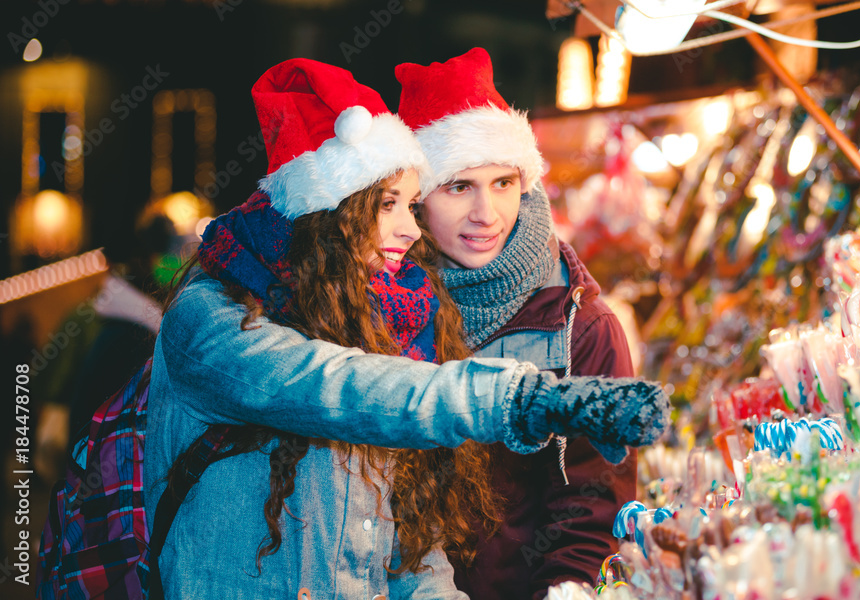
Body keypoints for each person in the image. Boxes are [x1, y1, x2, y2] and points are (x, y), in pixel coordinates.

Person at [146, 59, 670, 600]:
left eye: (505, 182)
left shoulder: (391, 310)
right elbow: (342, 389)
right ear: (328, 212)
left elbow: (400, 545)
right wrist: (517, 398)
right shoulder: (213, 318)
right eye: (390, 204)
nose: (410, 227)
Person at [394, 47, 639, 598]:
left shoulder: (581, 328)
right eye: (459, 186)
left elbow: (593, 512)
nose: (487, 214)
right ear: (413, 200)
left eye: (503, 183)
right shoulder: (374, 306)